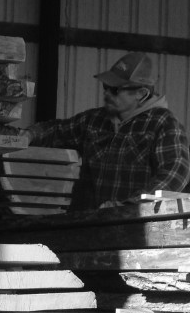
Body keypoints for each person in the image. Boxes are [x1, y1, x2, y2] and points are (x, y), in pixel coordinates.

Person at [26, 51, 190, 210]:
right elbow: (56, 130)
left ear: (141, 94)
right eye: (106, 86)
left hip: (133, 229)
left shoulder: (163, 124)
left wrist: (129, 207)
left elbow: (175, 174)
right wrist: (28, 135)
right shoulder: (95, 120)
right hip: (87, 224)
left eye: (115, 90)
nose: (106, 93)